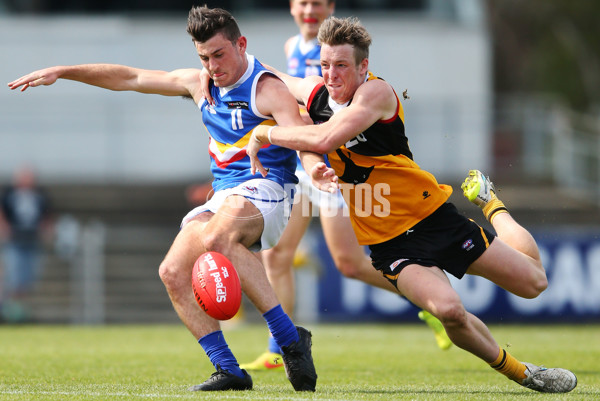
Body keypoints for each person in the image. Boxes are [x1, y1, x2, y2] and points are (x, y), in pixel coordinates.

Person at [245, 16, 577, 393]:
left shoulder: (377, 93)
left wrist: (265, 132)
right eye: (324, 65)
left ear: (363, 66)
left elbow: (322, 138)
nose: (331, 75)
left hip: (433, 218)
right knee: (449, 311)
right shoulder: (318, 93)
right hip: (390, 244)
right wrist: (214, 74)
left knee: (535, 283)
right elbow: (263, 75)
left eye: (340, 66)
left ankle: (491, 203)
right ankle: (523, 373)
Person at [8, 6, 322, 392]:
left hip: (271, 190)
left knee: (216, 239)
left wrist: (315, 165)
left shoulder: (267, 88)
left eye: (219, 55)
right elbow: (131, 77)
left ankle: (289, 340)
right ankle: (229, 369)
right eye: (204, 57)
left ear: (241, 45)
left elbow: (301, 133)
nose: (212, 66)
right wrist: (65, 71)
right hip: (225, 196)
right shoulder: (199, 82)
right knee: (172, 272)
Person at [238, 0, 450, 372]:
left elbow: (333, 108)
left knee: (349, 264)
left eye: (316, 4)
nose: (308, 10)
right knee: (275, 256)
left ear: (328, 8)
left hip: (337, 168)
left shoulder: (340, 51)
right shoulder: (292, 47)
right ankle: (280, 347)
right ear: (292, 7)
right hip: (304, 163)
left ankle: (427, 301)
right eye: (302, 3)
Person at [0, 165, 52, 323]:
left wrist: (46, 231)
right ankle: (8, 309)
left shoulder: (40, 197)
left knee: (27, 278)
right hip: (15, 240)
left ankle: (18, 311)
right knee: (13, 275)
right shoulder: (9, 196)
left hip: (32, 240)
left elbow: (46, 216)